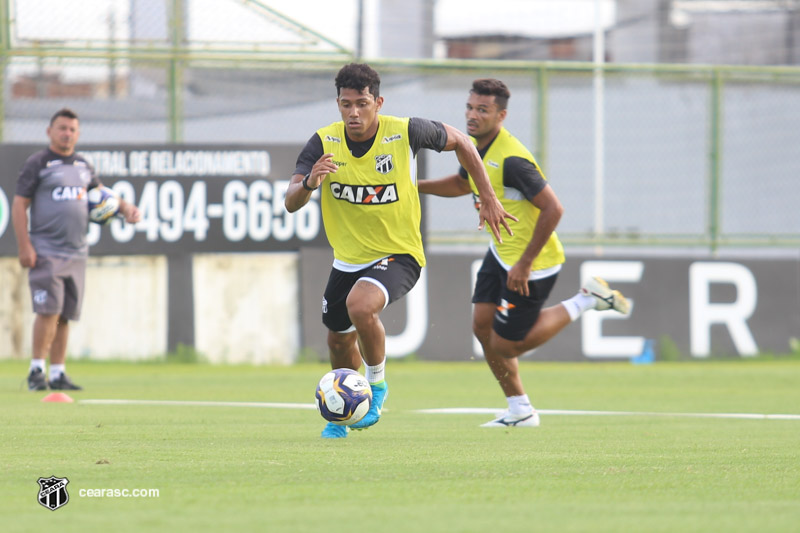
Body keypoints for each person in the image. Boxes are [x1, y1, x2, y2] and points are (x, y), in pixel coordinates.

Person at [285, 63, 516, 439]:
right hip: (347, 259)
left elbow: (463, 142)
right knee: (338, 339)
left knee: (360, 305)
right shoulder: (323, 143)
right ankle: (341, 415)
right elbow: (291, 201)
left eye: (362, 103)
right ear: (338, 104)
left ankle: (376, 388)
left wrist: (487, 196)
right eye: (346, 105)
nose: (354, 113)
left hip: (400, 253)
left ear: (378, 102)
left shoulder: (406, 131)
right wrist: (310, 182)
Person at [418, 79, 630, 428]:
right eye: (470, 108)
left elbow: (554, 209)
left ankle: (587, 298)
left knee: (506, 347)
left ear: (501, 115)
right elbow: (461, 183)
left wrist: (525, 263)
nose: (473, 115)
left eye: (482, 110)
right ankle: (520, 410)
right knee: (481, 327)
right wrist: (414, 186)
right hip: (500, 253)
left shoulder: (513, 159)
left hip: (533, 265)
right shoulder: (472, 146)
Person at [12, 108, 141, 391]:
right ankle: (36, 371)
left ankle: (57, 373)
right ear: (50, 131)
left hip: (76, 252)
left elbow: (103, 194)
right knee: (48, 311)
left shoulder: (83, 166)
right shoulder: (39, 163)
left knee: (65, 315)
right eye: (62, 128)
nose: (67, 133)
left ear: (78, 134)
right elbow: (20, 203)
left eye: (72, 129)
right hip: (46, 250)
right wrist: (25, 246)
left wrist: (126, 208)